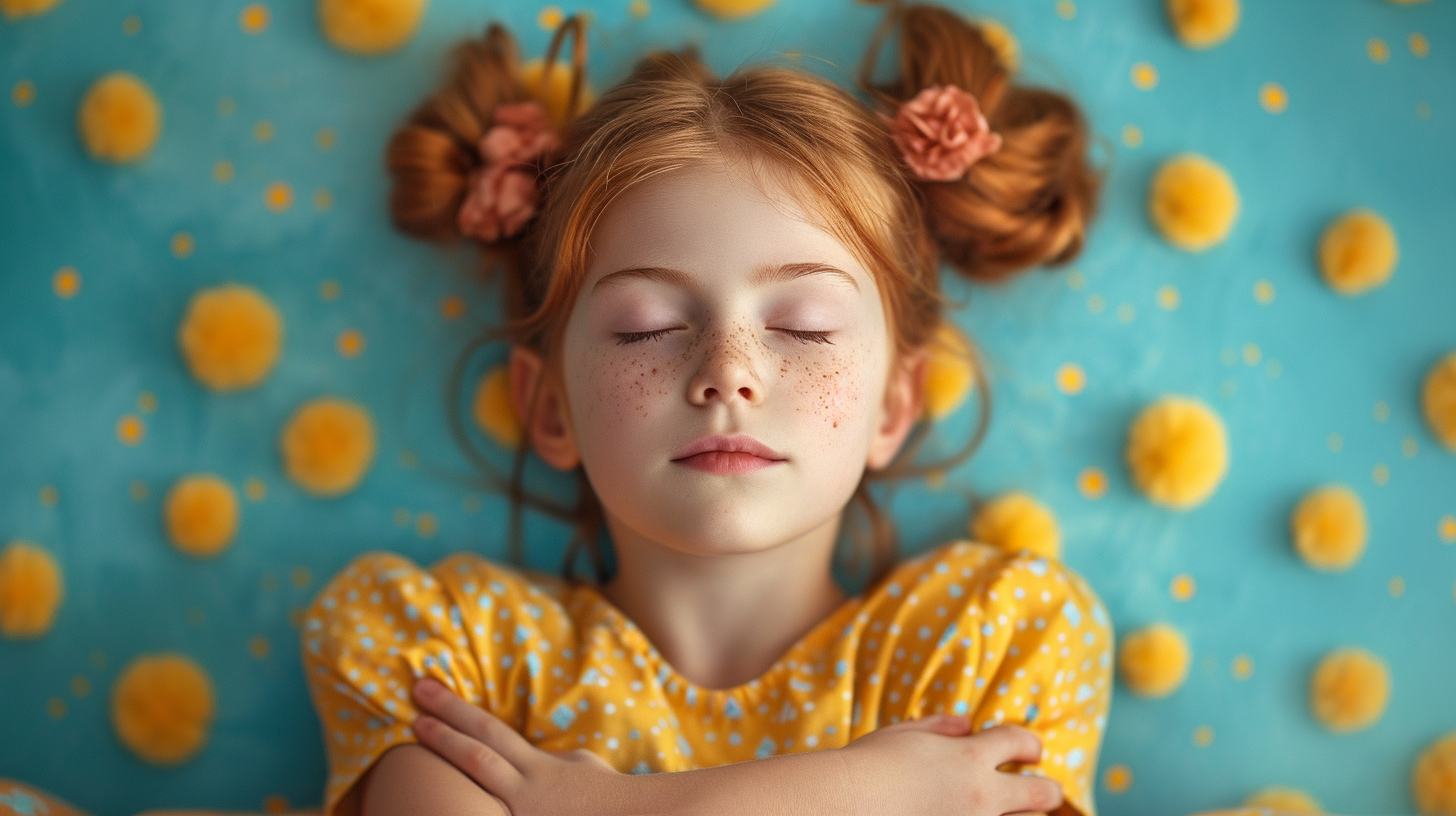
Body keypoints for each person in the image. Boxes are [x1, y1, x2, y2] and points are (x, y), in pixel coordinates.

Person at [300, 2, 1108, 814]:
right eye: (647, 329)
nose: (728, 373)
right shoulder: (451, 653)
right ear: (549, 408)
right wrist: (876, 793)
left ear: (896, 404)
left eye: (804, 325)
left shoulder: (988, 645)